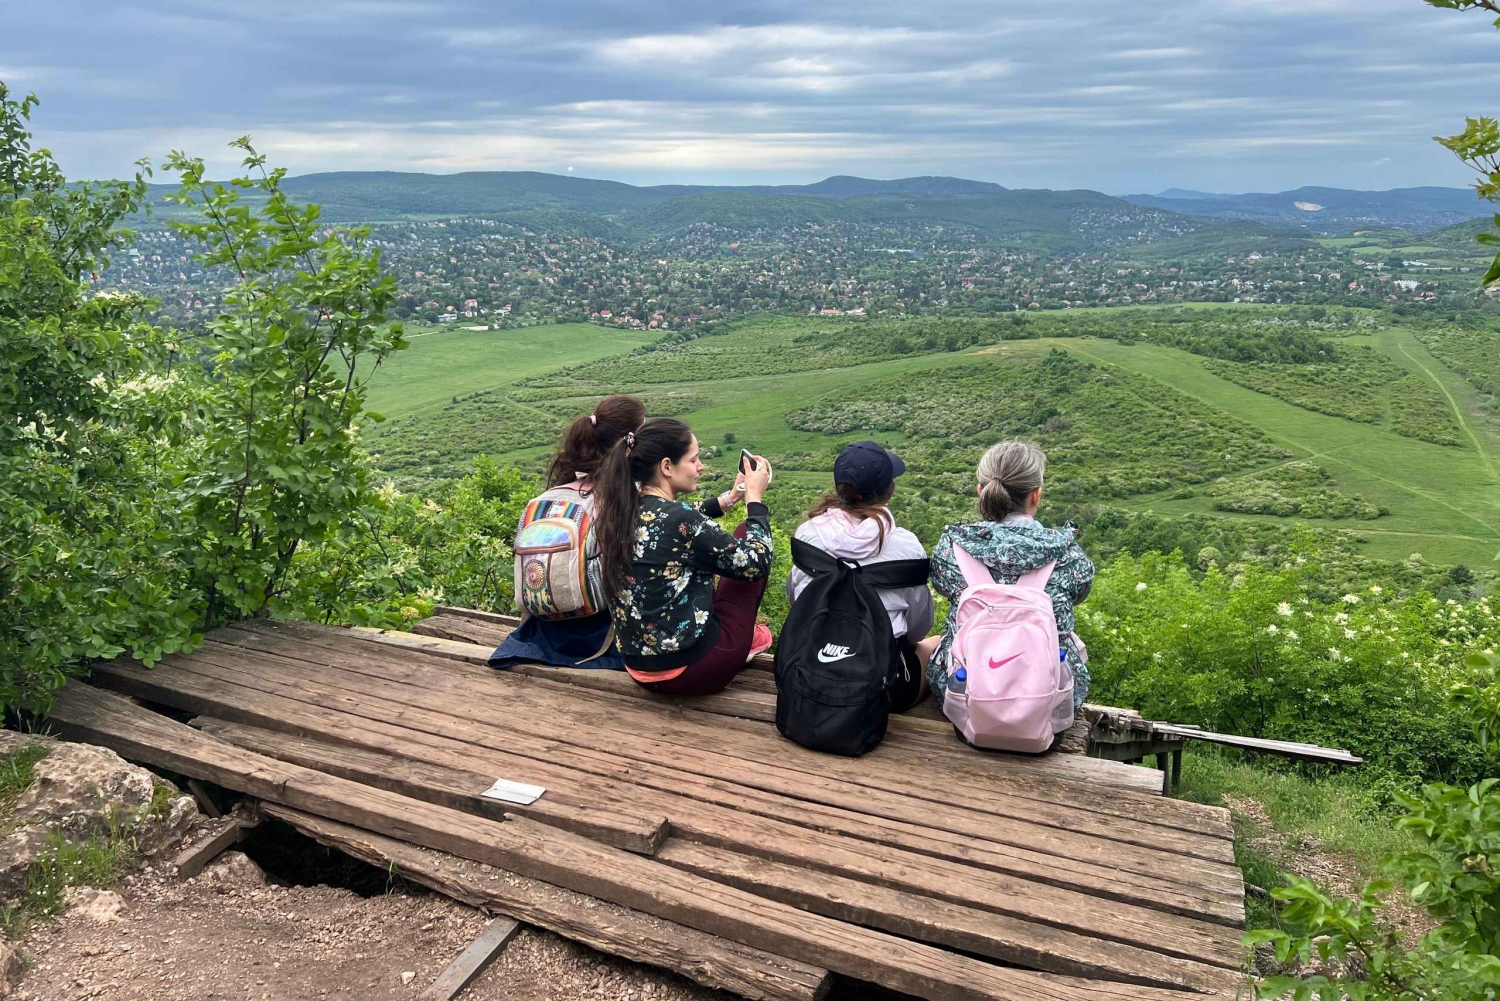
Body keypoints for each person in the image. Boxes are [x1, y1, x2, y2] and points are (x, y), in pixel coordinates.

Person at [594, 418, 775, 695]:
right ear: (667, 466)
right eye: (694, 460)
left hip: (638, 667)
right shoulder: (682, 519)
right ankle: (747, 638)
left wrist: (730, 498)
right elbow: (758, 562)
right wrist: (754, 500)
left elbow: (676, 520)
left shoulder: (620, 509)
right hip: (692, 670)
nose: (700, 466)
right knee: (746, 539)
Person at [920, 439, 1094, 710]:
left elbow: (942, 585)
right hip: (1047, 699)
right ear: (1036, 495)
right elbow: (1081, 591)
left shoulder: (951, 548)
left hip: (964, 693)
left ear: (981, 491)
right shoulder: (1069, 555)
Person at [491, 395, 651, 671]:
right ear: (629, 445)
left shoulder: (549, 498)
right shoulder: (623, 501)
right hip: (599, 639)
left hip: (538, 635)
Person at [786, 440, 934, 710]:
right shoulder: (906, 547)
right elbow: (918, 627)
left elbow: (797, 600)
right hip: (882, 685)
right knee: (934, 644)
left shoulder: (808, 533)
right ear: (888, 492)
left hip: (811, 670)